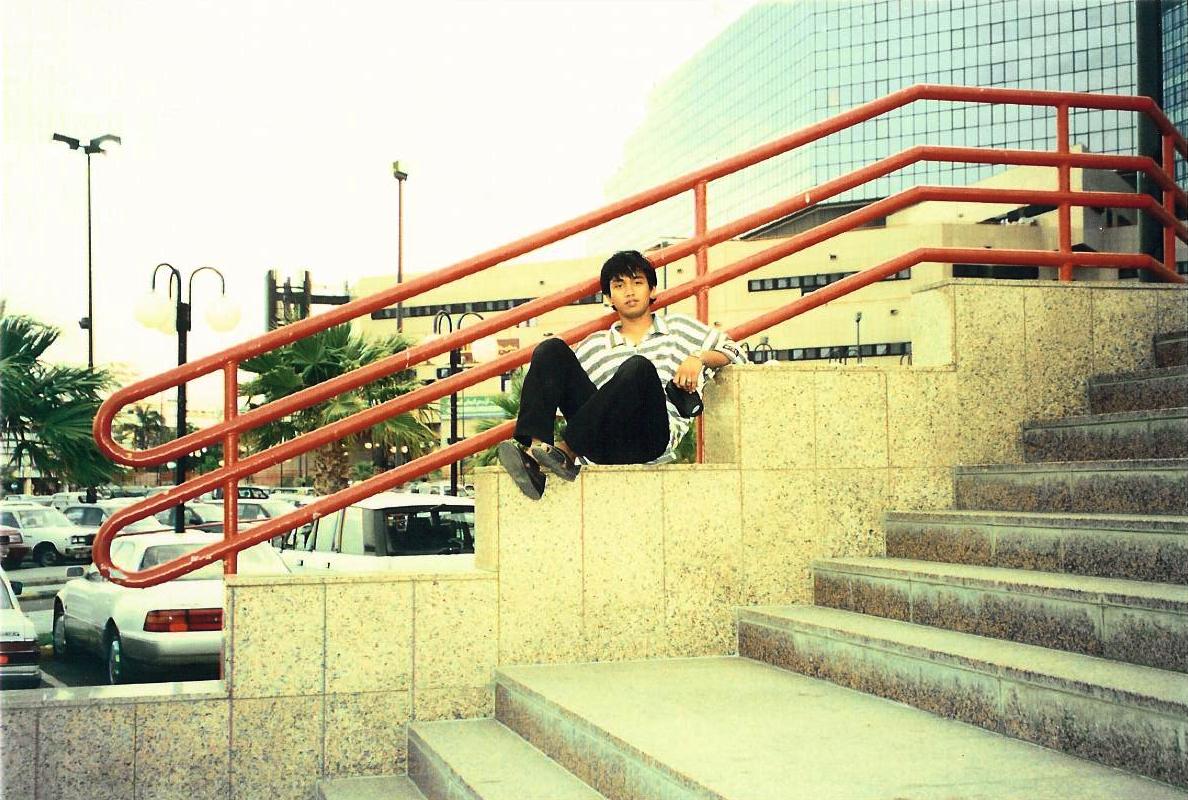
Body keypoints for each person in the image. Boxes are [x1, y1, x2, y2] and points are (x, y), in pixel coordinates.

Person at [496, 250, 746, 499]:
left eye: (637, 283)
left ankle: (567, 451)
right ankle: (533, 455)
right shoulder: (594, 346)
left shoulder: (679, 329)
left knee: (638, 367)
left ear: (652, 290)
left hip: (649, 440)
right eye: (619, 285)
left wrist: (699, 358)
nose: (629, 291)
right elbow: (562, 394)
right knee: (551, 348)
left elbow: (736, 351)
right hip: (601, 443)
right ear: (609, 297)